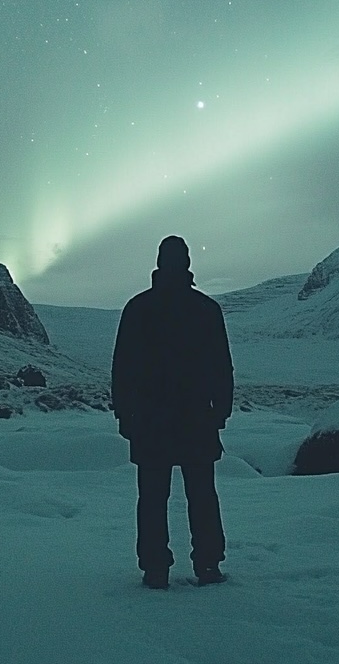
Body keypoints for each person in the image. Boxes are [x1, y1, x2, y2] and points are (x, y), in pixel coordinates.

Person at [112, 235, 234, 589]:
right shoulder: (206, 309)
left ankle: (154, 568)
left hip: (150, 420)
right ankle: (207, 564)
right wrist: (220, 410)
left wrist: (125, 413)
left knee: (152, 496)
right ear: (187, 263)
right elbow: (221, 366)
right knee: (202, 495)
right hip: (196, 417)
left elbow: (123, 368)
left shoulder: (138, 308)